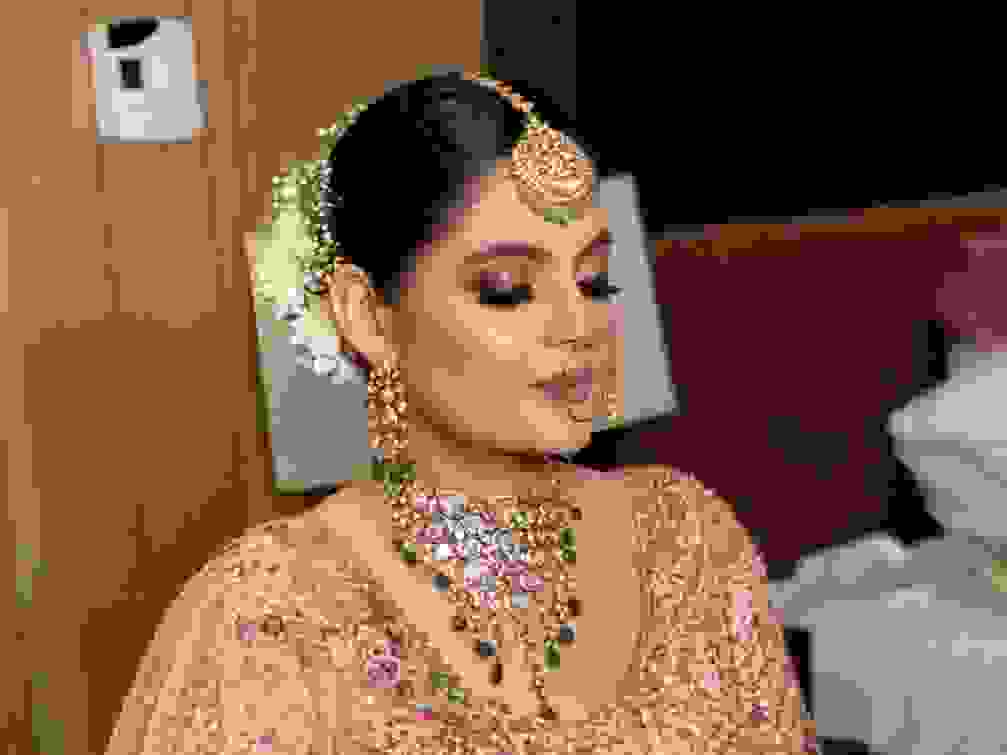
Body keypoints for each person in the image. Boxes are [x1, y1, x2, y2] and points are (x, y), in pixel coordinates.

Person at [104, 72, 816, 754]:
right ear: (366, 316)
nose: (580, 326)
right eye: (507, 289)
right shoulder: (271, 612)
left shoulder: (687, 540)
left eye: (595, 280)